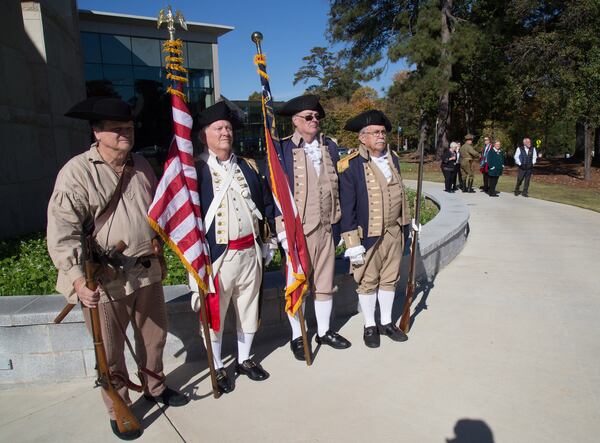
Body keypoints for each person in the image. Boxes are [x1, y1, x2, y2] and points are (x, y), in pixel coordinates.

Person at [47, 97, 187, 441]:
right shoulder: (77, 171)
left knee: (154, 339)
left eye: (129, 128)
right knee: (110, 352)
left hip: (146, 270)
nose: (127, 133)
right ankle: (118, 407)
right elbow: (62, 232)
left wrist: (160, 249)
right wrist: (78, 281)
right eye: (118, 129)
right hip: (105, 280)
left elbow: (154, 212)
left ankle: (155, 388)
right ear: (98, 133)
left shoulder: (141, 164)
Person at [188, 101, 276, 393]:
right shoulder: (195, 171)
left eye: (228, 127)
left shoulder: (248, 166)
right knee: (214, 315)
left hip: (250, 251)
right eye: (218, 128)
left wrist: (270, 240)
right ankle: (217, 365)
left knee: (249, 309)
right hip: (215, 258)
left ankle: (245, 359)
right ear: (204, 135)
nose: (225, 132)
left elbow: (264, 204)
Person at [275, 94, 351, 361]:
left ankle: (325, 331)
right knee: (298, 285)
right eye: (309, 117)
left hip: (327, 226)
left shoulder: (328, 146)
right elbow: (275, 192)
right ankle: (298, 335)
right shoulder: (282, 149)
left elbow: (336, 188)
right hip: (298, 231)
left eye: (316, 116)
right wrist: (281, 230)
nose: (314, 120)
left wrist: (339, 225)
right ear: (296, 121)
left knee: (324, 284)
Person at [338, 110, 412, 348]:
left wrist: (407, 222)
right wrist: (352, 243)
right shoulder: (350, 166)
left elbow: (400, 194)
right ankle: (370, 324)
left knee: (390, 279)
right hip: (367, 235)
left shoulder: (394, 159)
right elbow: (347, 207)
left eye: (382, 132)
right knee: (368, 281)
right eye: (375, 132)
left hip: (394, 231)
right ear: (362, 138)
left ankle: (387, 322)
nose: (381, 136)